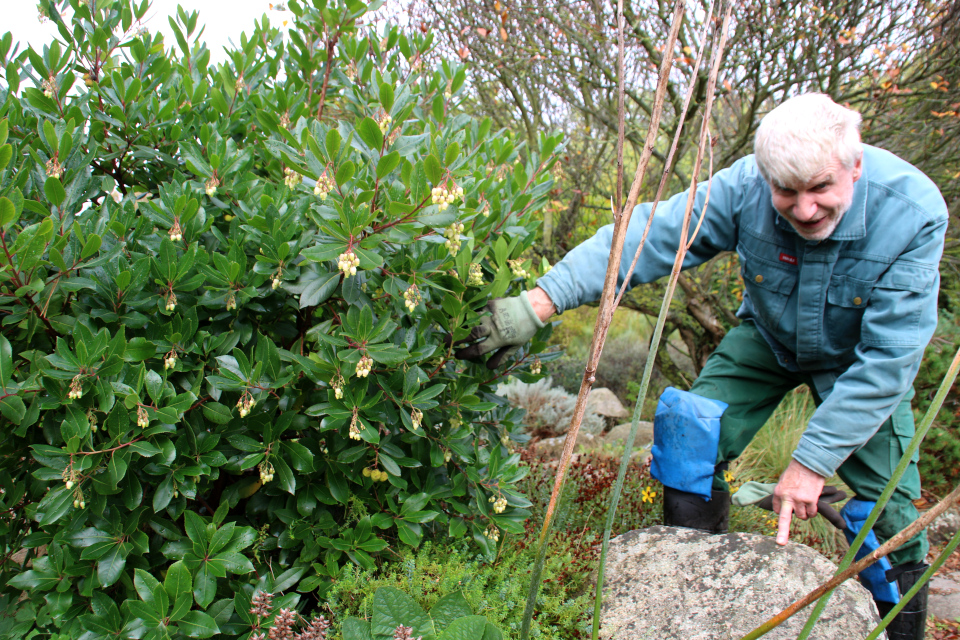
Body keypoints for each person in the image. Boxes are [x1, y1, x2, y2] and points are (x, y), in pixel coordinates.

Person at [455, 93, 948, 640]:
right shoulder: (743, 188)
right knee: (689, 430)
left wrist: (810, 462)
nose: (804, 209)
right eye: (786, 191)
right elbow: (649, 237)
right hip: (769, 338)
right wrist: (537, 304)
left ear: (855, 167)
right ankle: (696, 584)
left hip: (860, 363)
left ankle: (898, 631)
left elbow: (887, 361)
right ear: (766, 179)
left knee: (892, 509)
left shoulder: (913, 213)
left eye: (821, 190)